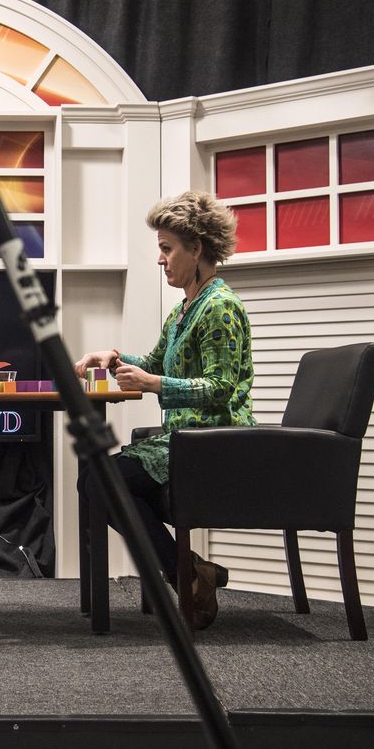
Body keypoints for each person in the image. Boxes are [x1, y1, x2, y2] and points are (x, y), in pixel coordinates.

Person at [75, 190, 255, 629]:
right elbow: (155, 362)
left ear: (196, 249)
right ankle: (190, 573)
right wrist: (114, 359)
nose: (160, 259)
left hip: (215, 444)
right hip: (183, 443)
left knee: (99, 479)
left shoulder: (220, 307)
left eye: (166, 248)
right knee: (96, 478)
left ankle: (186, 574)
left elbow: (220, 387)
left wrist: (153, 385)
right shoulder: (183, 311)